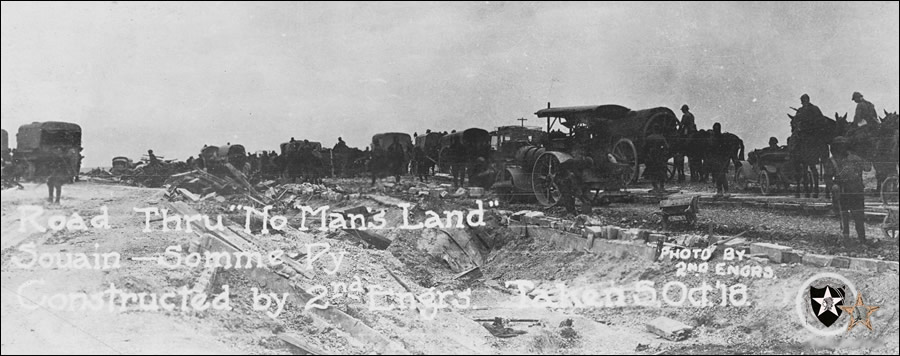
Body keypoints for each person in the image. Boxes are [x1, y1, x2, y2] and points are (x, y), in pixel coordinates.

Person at [830, 136, 872, 243]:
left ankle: (859, 239)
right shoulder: (832, 161)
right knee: (849, 217)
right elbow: (827, 177)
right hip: (845, 192)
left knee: (854, 217)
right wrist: (833, 186)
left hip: (853, 192)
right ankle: (850, 239)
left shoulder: (854, 158)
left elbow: (867, 167)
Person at [708, 123, 730, 197]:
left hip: (721, 159)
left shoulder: (720, 138)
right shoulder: (714, 138)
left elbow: (725, 150)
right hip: (716, 159)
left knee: (722, 175)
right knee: (717, 175)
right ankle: (719, 191)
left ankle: (726, 191)